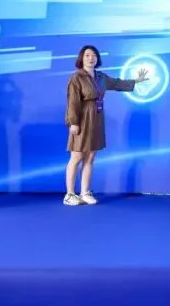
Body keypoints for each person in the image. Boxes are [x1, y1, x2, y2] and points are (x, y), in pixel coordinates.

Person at [63, 45, 149, 206]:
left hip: (97, 118)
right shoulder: (76, 78)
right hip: (82, 118)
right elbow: (72, 102)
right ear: (81, 58)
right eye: (87, 55)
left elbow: (116, 83)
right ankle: (69, 194)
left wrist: (136, 80)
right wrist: (73, 122)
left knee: (90, 156)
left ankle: (85, 192)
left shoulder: (100, 77)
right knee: (77, 156)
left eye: (94, 55)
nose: (91, 58)